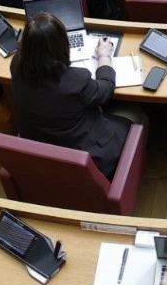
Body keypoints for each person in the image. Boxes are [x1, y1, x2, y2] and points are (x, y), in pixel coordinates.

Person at [10, 12, 130, 175]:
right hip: (87, 159)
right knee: (136, 119)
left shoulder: (16, 65)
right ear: (62, 45)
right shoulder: (75, 81)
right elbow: (107, 89)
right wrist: (104, 56)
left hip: (43, 151)